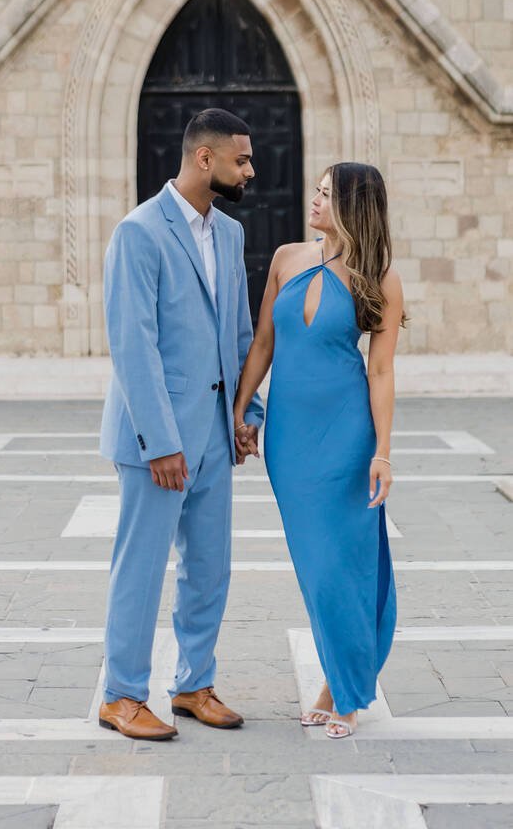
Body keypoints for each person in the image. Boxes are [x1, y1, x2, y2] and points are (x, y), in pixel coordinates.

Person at [99, 108, 264, 740]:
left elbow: (240, 330)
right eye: (241, 160)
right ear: (205, 159)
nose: (251, 170)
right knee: (140, 567)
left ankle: (193, 685)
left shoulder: (229, 233)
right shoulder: (138, 232)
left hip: (215, 439)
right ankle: (121, 695)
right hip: (156, 442)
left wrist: (247, 413)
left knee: (210, 567)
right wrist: (160, 444)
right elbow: (132, 345)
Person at [233, 162, 403, 739]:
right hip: (289, 440)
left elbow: (380, 371)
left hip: (348, 438)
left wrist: (382, 451)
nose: (315, 200)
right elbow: (262, 343)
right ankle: (342, 678)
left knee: (343, 567)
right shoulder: (286, 258)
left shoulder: (379, 277)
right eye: (316, 191)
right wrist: (241, 407)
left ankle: (346, 691)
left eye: (327, 195)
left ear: (353, 206)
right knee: (315, 567)